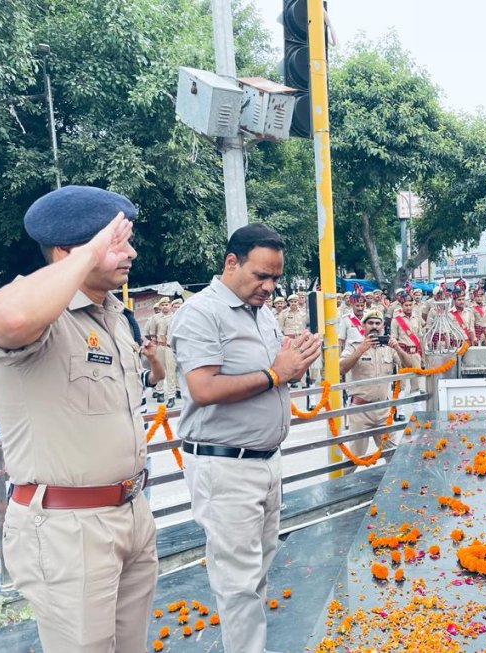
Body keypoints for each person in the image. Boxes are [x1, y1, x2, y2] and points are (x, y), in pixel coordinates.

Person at [0, 185, 156, 653]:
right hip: (68, 527)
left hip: (129, 512)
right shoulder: (43, 314)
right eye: (117, 242)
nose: (131, 253)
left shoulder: (115, 317)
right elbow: (9, 319)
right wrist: (85, 257)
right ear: (67, 251)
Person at [169, 223, 321, 653]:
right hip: (225, 464)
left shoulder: (263, 313)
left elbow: (275, 374)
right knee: (238, 583)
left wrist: (291, 361)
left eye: (275, 278)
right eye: (261, 276)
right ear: (231, 262)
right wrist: (277, 373)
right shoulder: (202, 312)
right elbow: (204, 389)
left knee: (258, 571)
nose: (270, 287)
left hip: (265, 462)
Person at [339, 310, 414, 465]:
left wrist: (398, 348)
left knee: (392, 454)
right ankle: (336, 487)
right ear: (363, 326)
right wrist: (361, 350)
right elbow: (341, 368)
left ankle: (394, 485)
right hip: (360, 410)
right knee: (355, 456)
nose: (374, 326)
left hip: (383, 410)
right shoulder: (354, 345)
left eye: (377, 323)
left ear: (382, 326)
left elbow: (411, 366)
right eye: (370, 323)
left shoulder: (388, 347)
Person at [390, 292, 424, 392]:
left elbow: (419, 337)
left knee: (416, 383)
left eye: (410, 305)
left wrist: (422, 357)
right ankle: (400, 407)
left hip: (415, 353)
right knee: (401, 383)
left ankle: (416, 405)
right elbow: (394, 339)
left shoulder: (417, 318)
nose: (408, 307)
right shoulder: (396, 320)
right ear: (402, 306)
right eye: (406, 305)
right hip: (402, 353)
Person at [338, 285, 366, 352]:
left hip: (367, 352)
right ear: (352, 305)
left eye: (362, 305)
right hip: (351, 353)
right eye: (357, 305)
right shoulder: (346, 319)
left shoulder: (369, 316)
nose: (360, 308)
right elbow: (341, 340)